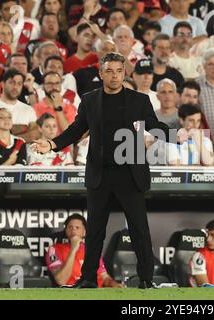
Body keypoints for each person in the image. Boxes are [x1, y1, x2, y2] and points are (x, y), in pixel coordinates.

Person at [31, 52, 179, 289]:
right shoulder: (89, 100)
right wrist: (51, 144)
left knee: (140, 229)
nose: (114, 76)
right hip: (100, 174)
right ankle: (88, 278)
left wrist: (177, 135)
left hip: (130, 174)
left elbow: (154, 126)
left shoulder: (139, 101)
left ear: (124, 73)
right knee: (95, 231)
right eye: (109, 71)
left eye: (119, 71)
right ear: (100, 74)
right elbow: (76, 130)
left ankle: (146, 280)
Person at [46, 214, 123, 287]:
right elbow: (61, 281)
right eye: (70, 227)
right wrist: (73, 249)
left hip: (94, 292)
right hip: (71, 292)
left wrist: (113, 284)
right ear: (66, 231)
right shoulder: (54, 249)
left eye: (77, 227)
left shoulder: (91, 250)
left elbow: (104, 277)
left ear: (84, 232)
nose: (73, 230)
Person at [0, 69, 39, 143]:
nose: (15, 87)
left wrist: (5, 131)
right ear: (2, 84)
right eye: (12, 83)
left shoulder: (28, 109)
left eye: (19, 84)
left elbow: (35, 135)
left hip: (23, 153)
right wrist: (25, 128)